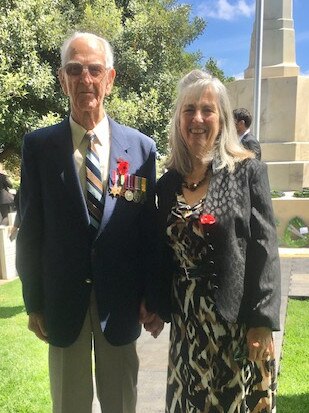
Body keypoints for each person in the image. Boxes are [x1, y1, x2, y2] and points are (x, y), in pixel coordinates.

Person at [16, 31, 162, 413]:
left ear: (110, 79)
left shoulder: (142, 149)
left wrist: (153, 293)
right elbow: (31, 232)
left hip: (122, 303)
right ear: (62, 78)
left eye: (95, 70)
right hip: (63, 304)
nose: (86, 79)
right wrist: (33, 301)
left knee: (122, 404)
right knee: (69, 404)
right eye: (75, 69)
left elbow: (149, 232)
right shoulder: (38, 148)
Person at [156, 70, 281, 412]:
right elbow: (161, 252)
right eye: (189, 109)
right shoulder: (167, 184)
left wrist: (262, 321)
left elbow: (265, 250)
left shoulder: (247, 172)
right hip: (187, 327)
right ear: (179, 120)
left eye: (207, 110)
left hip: (237, 325)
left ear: (222, 118)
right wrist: (152, 302)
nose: (197, 118)